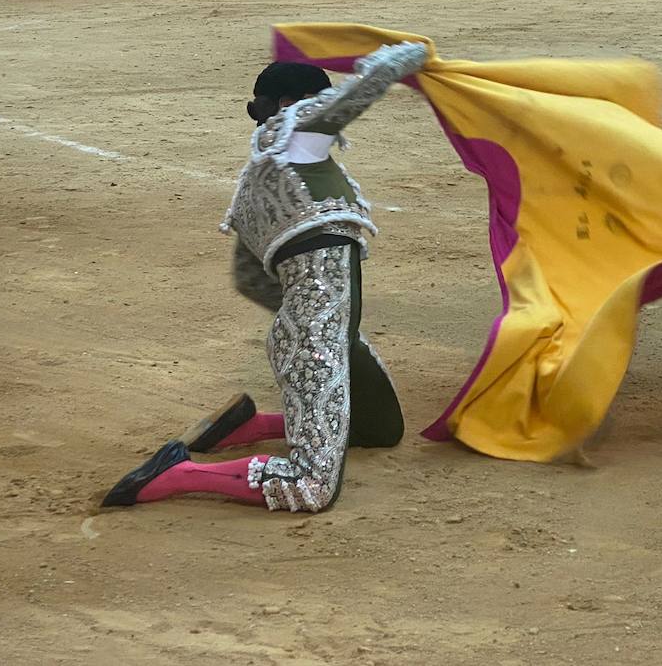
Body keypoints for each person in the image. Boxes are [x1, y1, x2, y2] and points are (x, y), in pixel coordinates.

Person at [101, 41, 428, 513]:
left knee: (379, 429)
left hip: (327, 333)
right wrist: (409, 58)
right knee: (312, 486)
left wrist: (312, 319)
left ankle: (246, 428)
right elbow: (356, 96)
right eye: (316, 97)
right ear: (289, 105)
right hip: (318, 338)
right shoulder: (297, 135)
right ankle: (177, 474)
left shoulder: (259, 183)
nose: (324, 103)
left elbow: (249, 279)